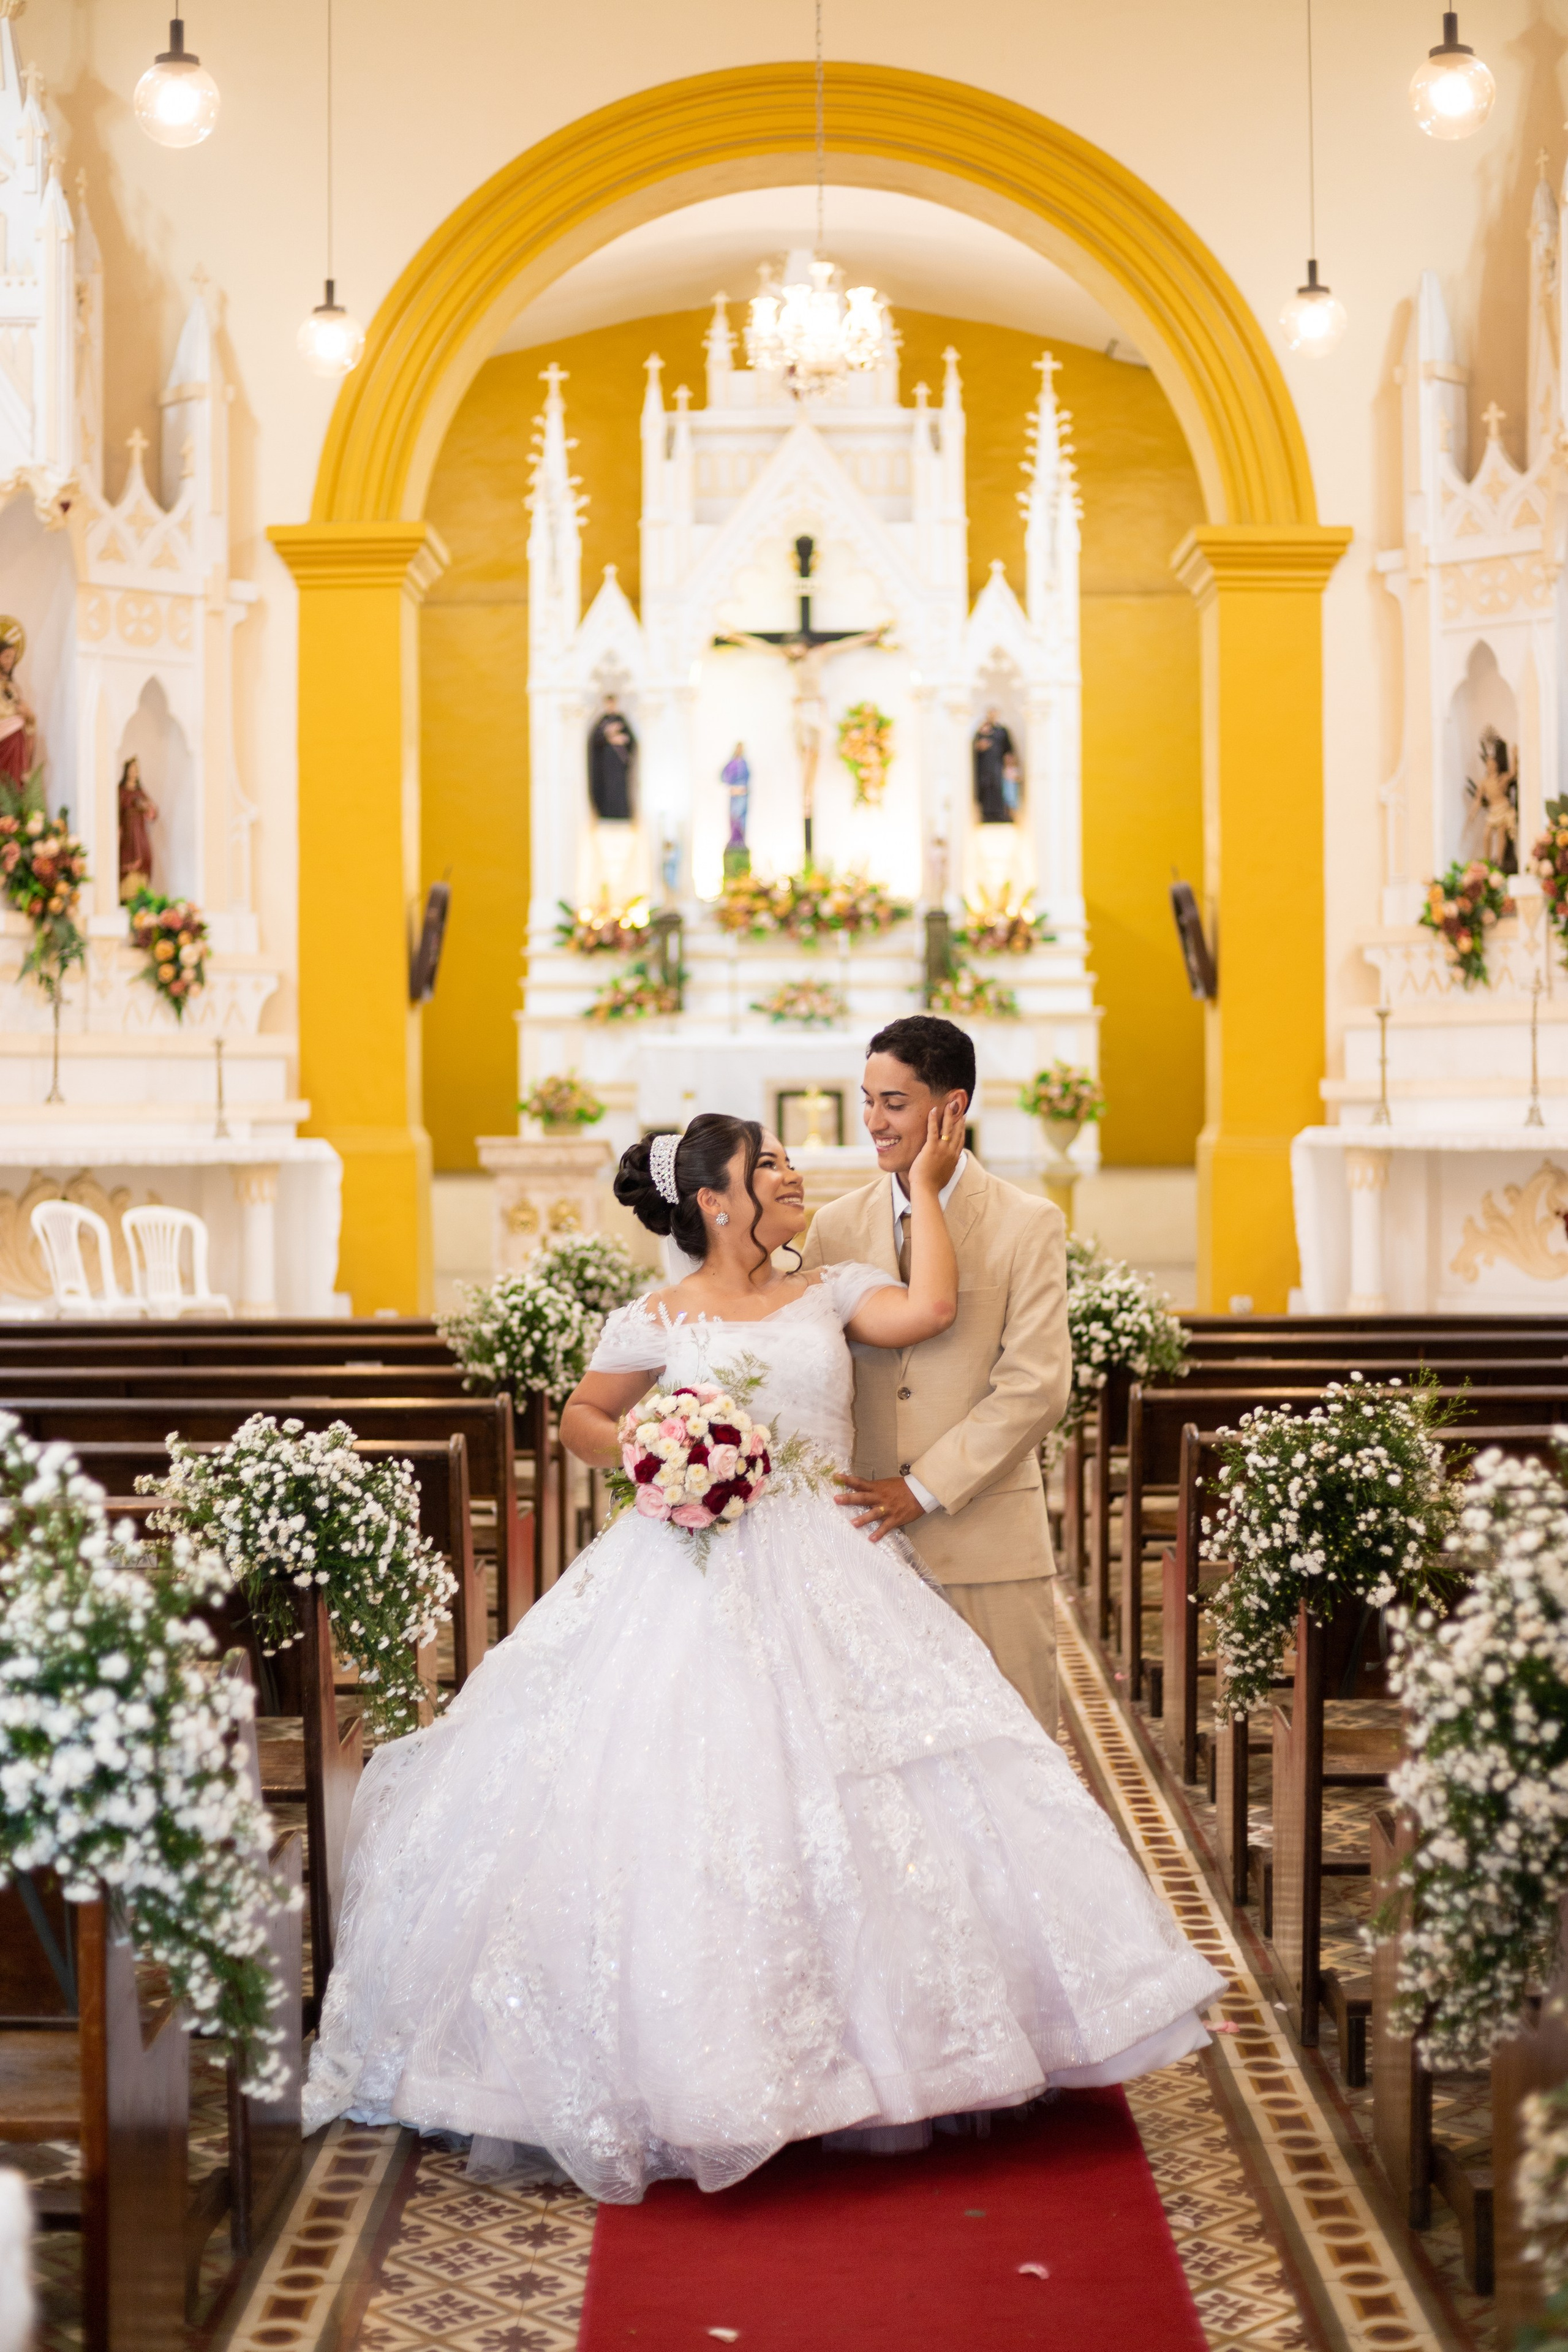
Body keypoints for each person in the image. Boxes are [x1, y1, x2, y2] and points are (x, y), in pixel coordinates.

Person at [303, 1109, 1224, 2204]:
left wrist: (926, 1190)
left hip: (830, 1555)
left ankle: (899, 2055)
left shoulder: (829, 1290)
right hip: (684, 1562)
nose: (793, 1176)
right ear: (714, 1201)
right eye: (770, 1164)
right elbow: (584, 1418)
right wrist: (655, 1453)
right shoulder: (652, 1315)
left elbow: (927, 1306)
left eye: (786, 1160)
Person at [801, 1015, 1065, 1733]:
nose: (872, 1122)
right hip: (865, 1545)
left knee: (1017, 1758)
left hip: (986, 1543)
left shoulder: (1027, 1223)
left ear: (952, 1109)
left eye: (894, 1103)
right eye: (867, 1099)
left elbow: (1036, 1386)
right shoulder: (833, 1226)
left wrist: (923, 1489)